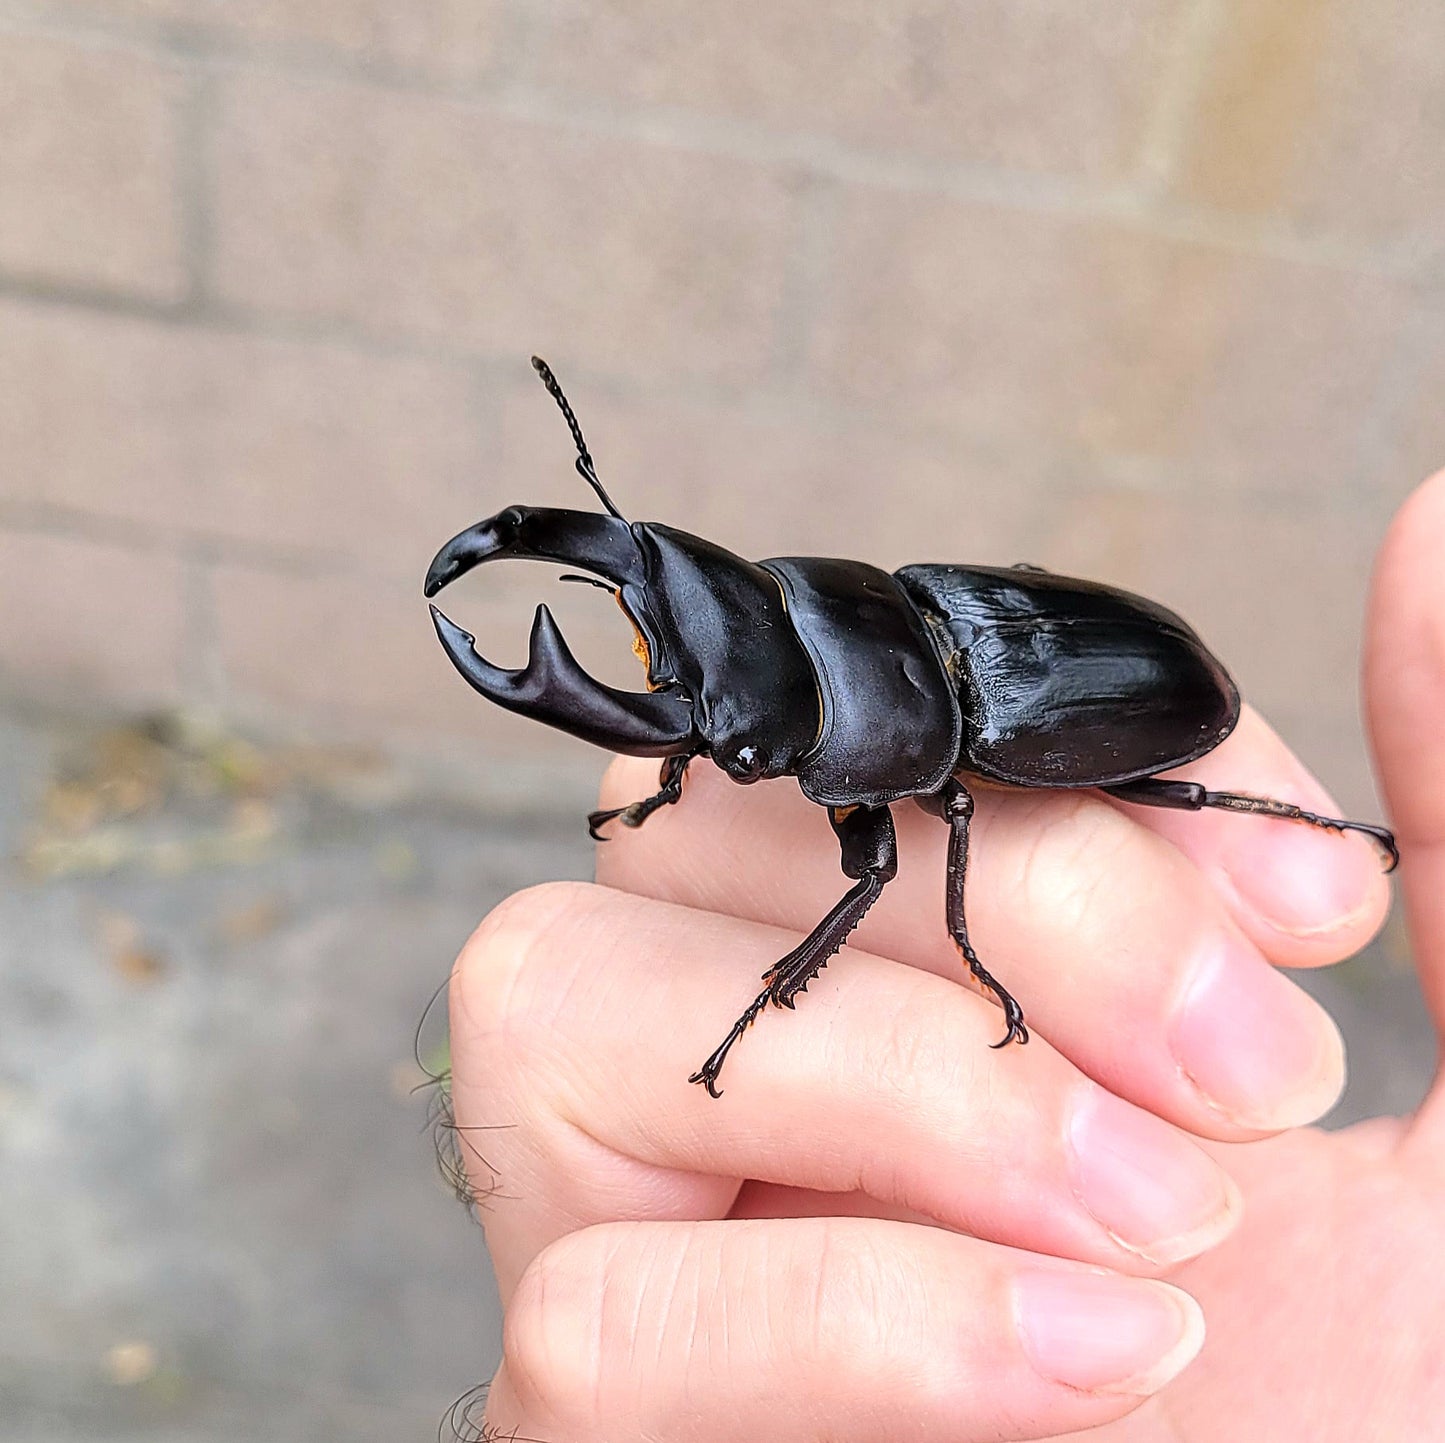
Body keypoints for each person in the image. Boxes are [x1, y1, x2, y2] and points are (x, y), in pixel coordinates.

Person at [448, 472, 1445, 1442]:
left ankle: (1240, 816)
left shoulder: (977, 732)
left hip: (1151, 690)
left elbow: (928, 827)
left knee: (883, 868)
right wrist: (674, 782)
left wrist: (961, 940)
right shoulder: (917, 601)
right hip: (1068, 633)